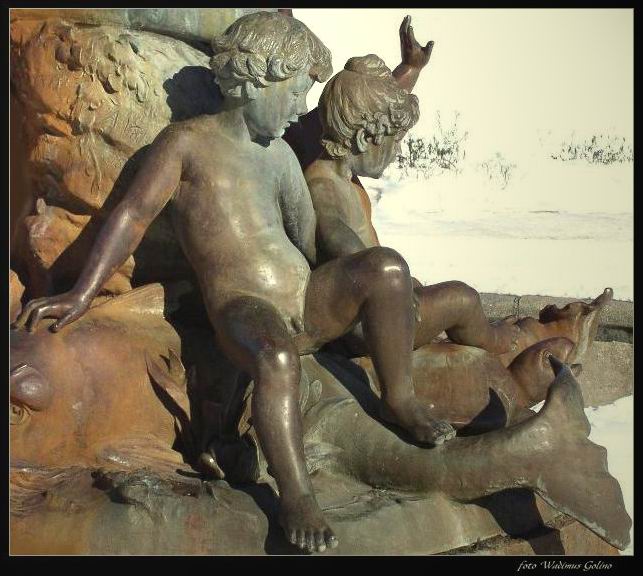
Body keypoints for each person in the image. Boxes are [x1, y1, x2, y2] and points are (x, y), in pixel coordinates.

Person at [15, 12, 453, 553]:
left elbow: (309, 240)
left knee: (385, 267)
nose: (300, 108)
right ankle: (297, 496)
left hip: (304, 298)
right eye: (296, 91)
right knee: (277, 358)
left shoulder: (281, 158)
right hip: (243, 306)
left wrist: (365, 277)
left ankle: (399, 400)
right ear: (256, 78)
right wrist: (81, 293)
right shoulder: (186, 144)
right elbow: (131, 216)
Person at [305, 54, 520, 360]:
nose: (398, 151)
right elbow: (334, 232)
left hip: (381, 303)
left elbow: (374, 100)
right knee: (463, 298)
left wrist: (410, 70)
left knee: (428, 290)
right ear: (365, 138)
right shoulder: (322, 185)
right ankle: (497, 341)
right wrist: (385, 279)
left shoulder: (343, 178)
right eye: (395, 141)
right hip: (372, 323)